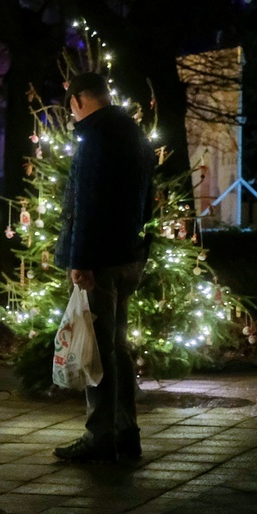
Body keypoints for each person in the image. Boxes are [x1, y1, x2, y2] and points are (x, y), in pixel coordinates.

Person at [53, 71, 155, 463]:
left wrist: (81, 261)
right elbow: (147, 198)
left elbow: (88, 203)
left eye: (71, 108)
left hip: (101, 260)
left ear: (78, 100)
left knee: (98, 349)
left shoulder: (95, 137)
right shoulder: (133, 132)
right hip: (129, 254)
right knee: (117, 346)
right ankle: (127, 431)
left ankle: (101, 435)